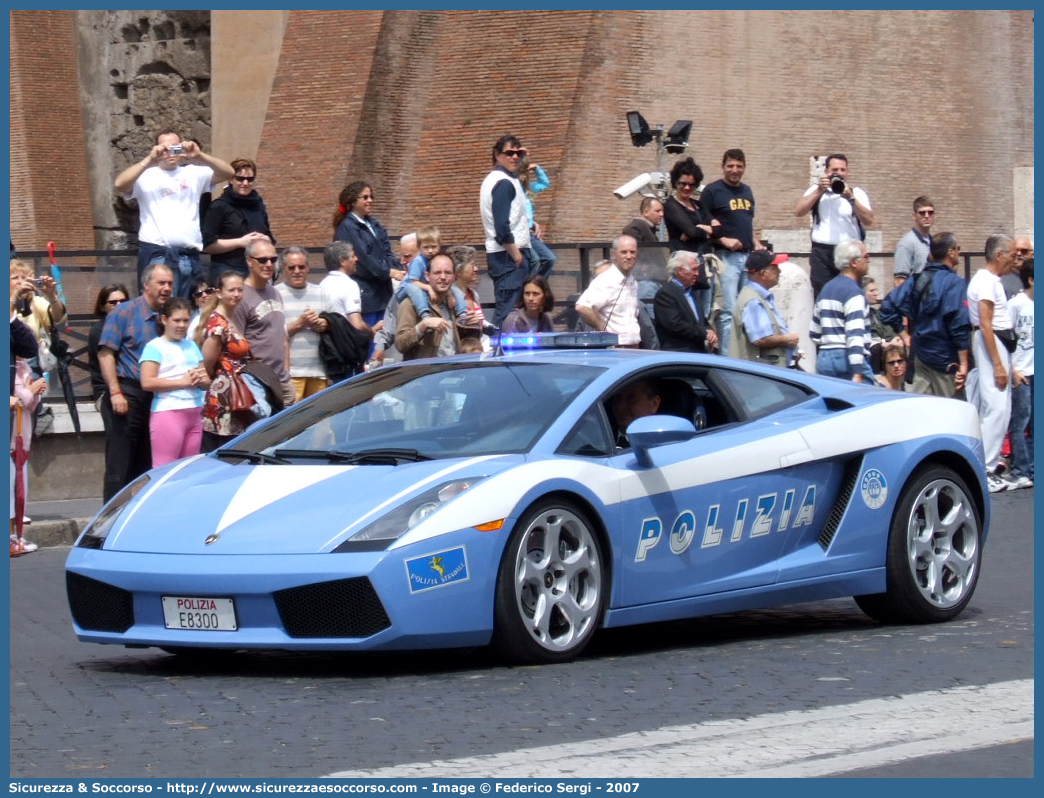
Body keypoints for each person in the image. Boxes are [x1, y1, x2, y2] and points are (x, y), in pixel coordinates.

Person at [114, 128, 234, 299]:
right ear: (156, 149)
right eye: (165, 148)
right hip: (159, 255)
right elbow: (119, 184)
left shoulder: (193, 172)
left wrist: (200, 155)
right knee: (159, 311)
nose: (170, 152)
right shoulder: (146, 176)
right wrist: (149, 160)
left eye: (174, 148)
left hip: (189, 255)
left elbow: (228, 172)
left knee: (191, 311)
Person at [97, 262, 175, 501]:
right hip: (127, 393)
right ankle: (106, 524)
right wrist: (115, 392)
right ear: (146, 285)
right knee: (120, 465)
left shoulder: (171, 316)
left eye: (170, 283)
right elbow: (105, 353)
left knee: (147, 466)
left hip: (158, 397)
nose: (166, 288)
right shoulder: (124, 313)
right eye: (161, 283)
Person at [879, 232, 971, 398]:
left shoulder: (916, 280)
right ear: (950, 252)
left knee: (922, 411)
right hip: (944, 360)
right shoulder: (954, 283)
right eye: (958, 249)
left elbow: (887, 307)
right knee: (949, 413)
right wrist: (963, 363)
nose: (959, 252)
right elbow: (958, 323)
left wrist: (906, 336)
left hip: (919, 356)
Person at [966, 235, 1019, 492]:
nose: (1014, 260)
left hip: (997, 342)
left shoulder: (990, 281)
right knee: (996, 406)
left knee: (1001, 406)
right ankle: (984, 467)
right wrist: (997, 365)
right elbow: (986, 325)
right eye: (1011, 254)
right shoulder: (986, 282)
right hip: (992, 342)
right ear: (998, 255)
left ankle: (989, 463)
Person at [700, 149, 763, 354]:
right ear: (723, 166)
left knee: (747, 308)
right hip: (725, 257)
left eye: (739, 166)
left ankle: (745, 354)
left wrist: (756, 243)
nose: (734, 170)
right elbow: (702, 224)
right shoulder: (712, 191)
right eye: (730, 166)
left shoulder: (747, 191)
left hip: (747, 257)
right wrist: (724, 240)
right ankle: (728, 357)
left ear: (744, 167)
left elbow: (747, 223)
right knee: (727, 310)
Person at [138, 297, 209, 467]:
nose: (182, 325)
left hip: (194, 412)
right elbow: (147, 382)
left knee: (188, 469)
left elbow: (205, 380)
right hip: (168, 413)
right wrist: (182, 382)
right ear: (164, 320)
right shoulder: (154, 347)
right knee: (164, 468)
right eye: (176, 320)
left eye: (185, 320)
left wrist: (201, 379)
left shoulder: (191, 346)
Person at [794, 153, 874, 297]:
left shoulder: (856, 193)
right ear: (826, 172)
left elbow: (869, 219)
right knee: (823, 295)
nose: (839, 174)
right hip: (822, 253)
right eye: (835, 170)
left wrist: (850, 198)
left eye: (843, 170)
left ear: (847, 172)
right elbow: (799, 211)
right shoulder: (816, 190)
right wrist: (819, 190)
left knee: (850, 293)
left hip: (849, 252)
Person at [195, 271, 253, 452]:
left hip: (235, 397)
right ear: (219, 293)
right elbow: (207, 363)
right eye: (231, 290)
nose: (236, 294)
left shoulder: (230, 318)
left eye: (239, 290)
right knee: (224, 452)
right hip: (223, 399)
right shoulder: (217, 323)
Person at [479, 133, 533, 326]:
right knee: (507, 312)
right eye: (509, 153)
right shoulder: (503, 183)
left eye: (518, 153)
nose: (515, 157)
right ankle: (499, 351)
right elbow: (501, 226)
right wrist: (516, 255)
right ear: (497, 155)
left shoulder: (504, 179)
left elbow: (512, 216)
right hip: (508, 256)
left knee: (514, 309)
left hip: (508, 255)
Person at [332, 181, 399, 331]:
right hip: (366, 292)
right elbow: (363, 256)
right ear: (353, 201)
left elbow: (386, 250)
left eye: (371, 197)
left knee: (384, 338)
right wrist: (386, 272)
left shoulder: (374, 224)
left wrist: (396, 267)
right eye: (365, 197)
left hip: (382, 291)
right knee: (371, 337)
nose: (370, 200)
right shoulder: (348, 227)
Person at [233, 239, 292, 408]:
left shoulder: (275, 293)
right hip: (257, 383)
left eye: (273, 260)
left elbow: (283, 337)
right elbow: (236, 345)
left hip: (281, 380)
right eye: (262, 260)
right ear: (249, 261)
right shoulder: (240, 297)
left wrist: (286, 372)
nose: (268, 264)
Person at [201, 157, 275, 281]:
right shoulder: (219, 206)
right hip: (227, 269)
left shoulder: (258, 204)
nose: (245, 183)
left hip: (257, 270)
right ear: (231, 180)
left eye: (249, 179)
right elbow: (207, 245)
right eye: (240, 178)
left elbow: (269, 235)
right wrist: (240, 242)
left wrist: (266, 239)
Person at [810, 240, 874, 382]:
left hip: (824, 358)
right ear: (853, 262)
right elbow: (855, 333)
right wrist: (857, 372)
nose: (869, 260)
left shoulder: (825, 290)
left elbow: (814, 332)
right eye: (866, 256)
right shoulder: (854, 293)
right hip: (848, 359)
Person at [662, 157, 718, 319]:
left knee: (705, 311)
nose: (686, 188)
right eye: (682, 184)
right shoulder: (671, 205)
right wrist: (706, 230)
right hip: (684, 265)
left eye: (691, 185)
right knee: (689, 309)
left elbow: (720, 230)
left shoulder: (699, 205)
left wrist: (700, 228)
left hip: (703, 264)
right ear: (675, 183)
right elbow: (693, 232)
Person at [276, 245, 332, 403]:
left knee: (318, 422)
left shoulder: (321, 292)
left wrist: (323, 324)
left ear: (308, 268)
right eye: (291, 267)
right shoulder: (275, 294)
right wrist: (300, 323)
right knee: (293, 422)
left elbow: (336, 323)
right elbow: (272, 335)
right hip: (291, 373)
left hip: (319, 371)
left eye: (301, 267)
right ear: (283, 269)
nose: (297, 271)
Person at [729, 250, 798, 367]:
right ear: (762, 273)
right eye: (775, 267)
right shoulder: (753, 301)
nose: (779, 271)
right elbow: (760, 338)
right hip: (760, 376)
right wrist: (787, 340)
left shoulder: (759, 297)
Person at [575, 235, 641, 346]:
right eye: (624, 252)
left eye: (632, 252)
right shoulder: (606, 279)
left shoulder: (633, 282)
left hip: (633, 348)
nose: (629, 256)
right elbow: (582, 306)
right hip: (616, 349)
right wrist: (601, 328)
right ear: (614, 254)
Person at [394, 253, 462, 360]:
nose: (443, 277)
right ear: (427, 276)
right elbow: (400, 344)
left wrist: (474, 326)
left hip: (454, 372)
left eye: (448, 273)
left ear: (454, 276)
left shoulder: (455, 303)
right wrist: (422, 326)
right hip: (426, 373)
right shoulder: (410, 304)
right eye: (437, 273)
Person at [10, 305, 37, 557]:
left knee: (15, 485)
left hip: (17, 430)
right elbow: (22, 396)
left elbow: (29, 347)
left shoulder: (21, 366)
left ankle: (14, 536)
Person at [9, 259, 67, 378]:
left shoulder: (35, 303)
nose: (20, 282)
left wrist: (51, 296)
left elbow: (58, 317)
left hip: (31, 366)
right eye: (15, 278)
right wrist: (16, 296)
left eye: (24, 278)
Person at [397, 226, 467, 322]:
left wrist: (449, 295)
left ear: (439, 246)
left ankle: (462, 315)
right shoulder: (418, 262)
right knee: (415, 290)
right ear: (419, 248)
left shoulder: (435, 259)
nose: (430, 251)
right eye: (426, 247)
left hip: (422, 286)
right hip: (406, 289)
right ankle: (425, 315)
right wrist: (429, 288)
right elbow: (413, 282)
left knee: (455, 288)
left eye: (433, 247)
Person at [653, 250, 718, 353]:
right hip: (678, 353)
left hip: (698, 352)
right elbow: (675, 325)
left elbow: (700, 320)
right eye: (694, 270)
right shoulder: (666, 294)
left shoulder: (693, 293)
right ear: (680, 271)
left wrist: (709, 330)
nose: (697, 274)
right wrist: (704, 333)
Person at [1005, 257, 1034, 489]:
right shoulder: (1016, 304)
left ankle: (1032, 468)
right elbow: (1006, 339)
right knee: (1020, 421)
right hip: (1021, 370)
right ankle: (1019, 469)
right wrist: (1012, 369)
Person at [319, 240, 381, 340]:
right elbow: (357, 325)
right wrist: (372, 332)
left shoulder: (322, 284)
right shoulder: (349, 285)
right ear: (342, 261)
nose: (356, 259)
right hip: (346, 347)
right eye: (352, 256)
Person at [87, 284, 130, 413]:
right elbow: (106, 362)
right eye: (113, 303)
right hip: (107, 393)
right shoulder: (98, 331)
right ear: (102, 307)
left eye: (123, 301)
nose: (119, 305)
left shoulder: (133, 326)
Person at [518, 156, 556, 278]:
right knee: (534, 261)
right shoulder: (512, 189)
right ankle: (529, 288)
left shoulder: (528, 189)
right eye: (521, 172)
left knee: (549, 259)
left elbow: (544, 183)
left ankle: (538, 286)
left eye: (525, 173)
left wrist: (536, 168)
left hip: (529, 232)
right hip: (520, 232)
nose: (523, 176)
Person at [449, 244, 493, 349]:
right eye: (472, 265)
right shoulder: (450, 296)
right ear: (458, 271)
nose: (476, 269)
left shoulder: (474, 295)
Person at [892, 196, 935, 286]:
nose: (927, 216)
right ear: (914, 215)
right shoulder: (906, 244)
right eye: (922, 213)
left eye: (930, 212)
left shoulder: (934, 242)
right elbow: (899, 282)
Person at [186, 276, 214, 343]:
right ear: (194, 301)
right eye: (198, 294)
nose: (204, 295)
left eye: (208, 291)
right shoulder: (195, 325)